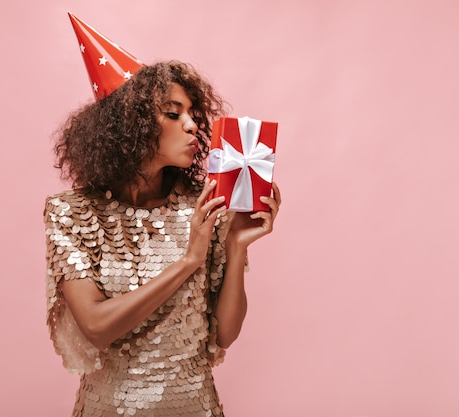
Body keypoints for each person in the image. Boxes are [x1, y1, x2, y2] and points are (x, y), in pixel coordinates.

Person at [44, 15, 281, 417]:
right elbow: (97, 328)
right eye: (173, 114)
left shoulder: (207, 207)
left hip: (196, 407)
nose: (192, 126)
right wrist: (190, 259)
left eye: (192, 114)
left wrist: (236, 245)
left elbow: (224, 333)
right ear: (129, 127)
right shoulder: (72, 213)